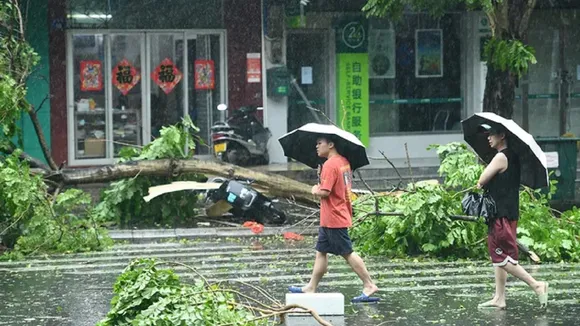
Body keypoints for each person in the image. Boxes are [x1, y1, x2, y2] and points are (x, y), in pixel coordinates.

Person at [288, 136, 379, 303]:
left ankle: (369, 284)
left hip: (334, 217)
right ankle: (311, 287)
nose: (316, 146)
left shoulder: (330, 165)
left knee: (347, 252)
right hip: (334, 214)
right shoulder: (343, 161)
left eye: (319, 143)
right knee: (321, 251)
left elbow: (325, 192)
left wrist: (315, 189)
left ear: (330, 145)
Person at [476, 123, 548, 309]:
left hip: (500, 214)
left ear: (502, 135)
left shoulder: (501, 157)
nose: (488, 138)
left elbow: (482, 180)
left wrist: (483, 180)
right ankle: (499, 298)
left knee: (500, 255)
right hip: (509, 213)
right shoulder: (513, 157)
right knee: (500, 257)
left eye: (491, 134)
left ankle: (536, 285)